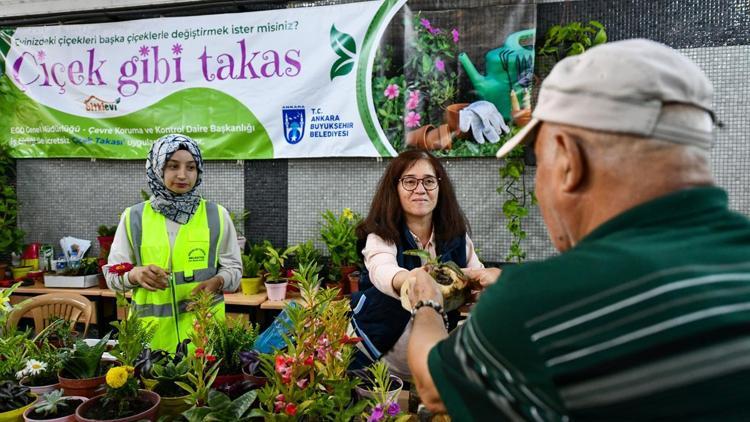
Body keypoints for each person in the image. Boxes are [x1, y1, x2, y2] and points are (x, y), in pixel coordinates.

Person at [406, 38, 750, 420]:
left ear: (569, 160)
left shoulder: (534, 304)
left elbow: (433, 388)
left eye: (540, 160)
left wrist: (427, 304)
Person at [349, 149, 484, 378]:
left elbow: (476, 276)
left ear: (440, 188)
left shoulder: (456, 237)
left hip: (430, 362)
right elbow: (382, 271)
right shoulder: (381, 235)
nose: (420, 190)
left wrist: (479, 292)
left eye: (429, 181)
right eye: (410, 181)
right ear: (395, 188)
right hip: (376, 360)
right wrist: (413, 280)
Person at [105, 134, 242, 352]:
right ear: (158, 168)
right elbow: (112, 276)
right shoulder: (134, 217)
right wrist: (136, 274)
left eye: (190, 167)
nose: (182, 175)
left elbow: (234, 270)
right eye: (172, 166)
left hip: (204, 340)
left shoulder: (217, 215)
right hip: (150, 343)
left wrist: (217, 282)